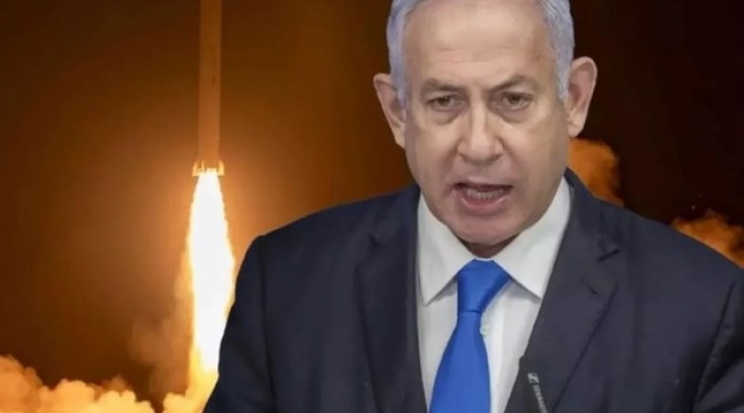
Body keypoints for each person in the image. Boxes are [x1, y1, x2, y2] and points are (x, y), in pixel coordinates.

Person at [203, 0, 744, 411]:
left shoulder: (704, 308)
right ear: (396, 111)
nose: (479, 146)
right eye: (445, 101)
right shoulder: (286, 287)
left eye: (513, 100)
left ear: (575, 99)